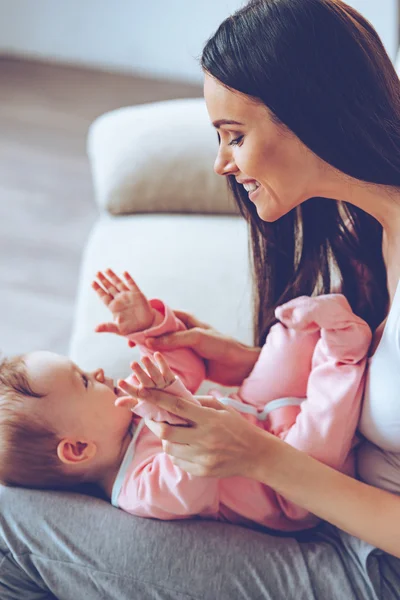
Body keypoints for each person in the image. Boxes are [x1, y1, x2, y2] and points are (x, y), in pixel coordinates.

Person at [1, 0, 400, 598]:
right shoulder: (365, 231)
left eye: (234, 136)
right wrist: (241, 362)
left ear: (313, 113)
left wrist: (262, 458)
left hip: (370, 563)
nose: (220, 163)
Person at [0, 268, 371, 534]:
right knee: (322, 424)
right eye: (82, 381)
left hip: (254, 408)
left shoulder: (125, 404)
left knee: (285, 344)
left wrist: (149, 328)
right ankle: (343, 352)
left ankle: (311, 328)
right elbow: (196, 471)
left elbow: (186, 367)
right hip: (288, 486)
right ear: (78, 448)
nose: (97, 372)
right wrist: (168, 404)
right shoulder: (138, 490)